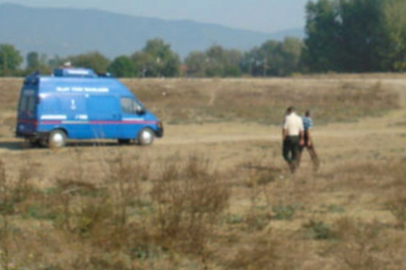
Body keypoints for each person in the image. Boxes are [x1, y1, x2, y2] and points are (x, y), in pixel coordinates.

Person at [282, 106, 304, 173]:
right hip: (296, 137)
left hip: (289, 137)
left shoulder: (287, 118)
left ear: (289, 111)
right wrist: (302, 139)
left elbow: (284, 129)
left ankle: (291, 164)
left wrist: (283, 137)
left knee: (285, 154)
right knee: (294, 154)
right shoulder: (299, 118)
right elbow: (301, 130)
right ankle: (293, 168)